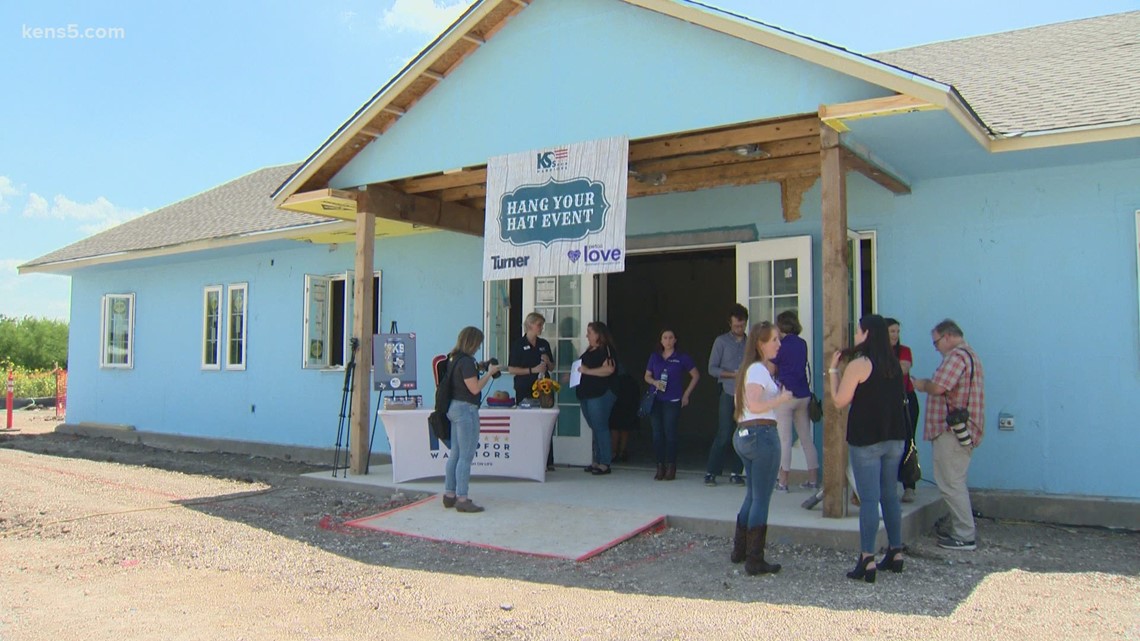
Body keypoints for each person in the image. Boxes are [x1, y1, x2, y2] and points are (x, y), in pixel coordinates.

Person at [828, 314, 908, 583]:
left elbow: (840, 401)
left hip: (867, 439)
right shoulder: (894, 365)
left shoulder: (860, 365)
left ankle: (867, 557)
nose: (856, 336)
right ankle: (896, 551)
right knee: (889, 496)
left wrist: (833, 372)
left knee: (869, 500)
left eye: (859, 331)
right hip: (894, 438)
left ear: (867, 334)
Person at [913, 319, 986, 551]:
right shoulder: (971, 355)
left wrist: (922, 384)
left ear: (947, 337)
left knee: (951, 483)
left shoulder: (956, 357)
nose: (935, 347)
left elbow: (939, 387)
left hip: (951, 431)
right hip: (962, 430)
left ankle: (964, 535)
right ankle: (961, 530)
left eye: (936, 342)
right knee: (954, 481)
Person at [730, 321, 792, 575]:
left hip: (746, 435)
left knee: (752, 494)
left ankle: (740, 549)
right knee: (761, 498)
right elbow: (755, 405)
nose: (778, 344)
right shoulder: (757, 370)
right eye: (774, 339)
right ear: (760, 343)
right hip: (761, 435)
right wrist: (781, 399)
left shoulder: (750, 369)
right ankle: (754, 558)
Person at [441, 326, 502, 513]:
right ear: (472, 342)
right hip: (466, 410)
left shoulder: (453, 358)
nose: (478, 347)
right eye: (478, 344)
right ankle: (462, 498)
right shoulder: (467, 362)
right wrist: (489, 373)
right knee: (466, 456)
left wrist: (482, 366)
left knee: (456, 454)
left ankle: (449, 494)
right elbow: (475, 388)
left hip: (453, 407)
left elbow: (464, 376)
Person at [770, 310, 819, 492]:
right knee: (806, 438)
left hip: (786, 394)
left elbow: (773, 367)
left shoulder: (780, 345)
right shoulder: (802, 343)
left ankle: (783, 481)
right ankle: (813, 479)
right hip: (803, 394)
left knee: (784, 439)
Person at [644, 328, 699, 481]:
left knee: (670, 433)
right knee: (657, 434)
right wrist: (654, 382)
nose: (667, 340)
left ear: (675, 340)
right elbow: (647, 376)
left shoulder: (681, 357)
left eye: (670, 338)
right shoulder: (654, 357)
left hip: (673, 400)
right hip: (656, 398)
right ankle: (659, 465)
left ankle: (671, 466)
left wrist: (686, 395)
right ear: (661, 341)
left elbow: (695, 375)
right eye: (665, 338)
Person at [704, 304, 748, 487]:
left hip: (746, 393)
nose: (739, 329)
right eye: (736, 325)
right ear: (729, 324)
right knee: (723, 433)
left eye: (742, 325)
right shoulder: (721, 341)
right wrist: (732, 374)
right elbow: (711, 368)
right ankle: (711, 472)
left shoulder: (751, 341)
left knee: (743, 432)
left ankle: (737, 472)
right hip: (727, 390)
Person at [508, 312, 554, 469]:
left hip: (544, 387)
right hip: (524, 387)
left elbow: (552, 367)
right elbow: (512, 369)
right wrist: (532, 370)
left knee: (545, 422)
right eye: (539, 324)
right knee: (526, 423)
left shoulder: (544, 344)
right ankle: (526, 458)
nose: (541, 328)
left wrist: (548, 362)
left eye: (542, 324)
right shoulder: (518, 344)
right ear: (530, 325)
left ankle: (548, 461)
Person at [885, 317, 920, 503]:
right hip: (885, 402)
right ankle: (888, 486)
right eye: (892, 331)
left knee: (908, 441)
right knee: (887, 444)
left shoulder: (904, 351)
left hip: (906, 399)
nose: (895, 335)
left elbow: (903, 369)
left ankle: (909, 486)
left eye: (897, 331)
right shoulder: (875, 352)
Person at [576, 321, 618, 475]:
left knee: (600, 426)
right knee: (594, 426)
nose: (587, 335)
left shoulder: (606, 350)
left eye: (590, 332)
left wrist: (587, 371)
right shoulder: (589, 351)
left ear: (599, 334)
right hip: (586, 394)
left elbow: (609, 369)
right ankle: (597, 459)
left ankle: (605, 462)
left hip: (600, 394)